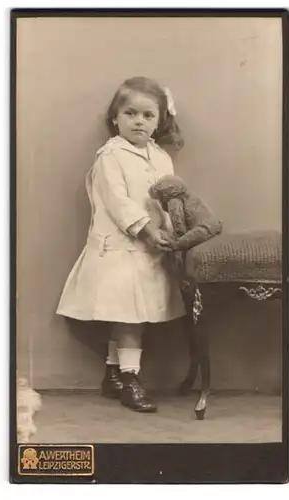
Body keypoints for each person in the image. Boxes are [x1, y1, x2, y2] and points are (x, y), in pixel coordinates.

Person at [56, 76, 186, 413]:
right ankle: (131, 380)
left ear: (159, 122)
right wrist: (146, 230)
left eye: (147, 116)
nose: (138, 122)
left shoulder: (159, 157)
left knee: (133, 315)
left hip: (150, 250)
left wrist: (172, 227)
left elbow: (166, 197)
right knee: (129, 316)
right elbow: (118, 203)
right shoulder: (110, 156)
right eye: (130, 113)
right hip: (120, 249)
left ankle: (112, 374)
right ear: (115, 117)